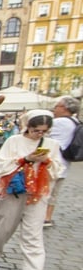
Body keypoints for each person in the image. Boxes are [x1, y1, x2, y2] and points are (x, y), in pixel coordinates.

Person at [0, 110, 62, 270]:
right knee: (5, 227)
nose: (39, 134)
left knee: (33, 233)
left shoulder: (52, 144)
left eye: (44, 131)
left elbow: (58, 170)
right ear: (28, 127)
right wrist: (26, 159)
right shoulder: (14, 141)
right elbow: (1, 165)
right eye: (36, 130)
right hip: (14, 191)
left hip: (38, 193)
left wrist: (47, 162)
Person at [44, 96, 80, 227]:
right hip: (64, 161)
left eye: (57, 106)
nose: (55, 109)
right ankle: (47, 217)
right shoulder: (75, 121)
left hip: (51, 160)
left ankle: (38, 216)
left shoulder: (59, 122)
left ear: (64, 108)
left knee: (45, 190)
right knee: (54, 192)